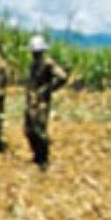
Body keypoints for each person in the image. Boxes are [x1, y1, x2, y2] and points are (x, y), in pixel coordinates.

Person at [23, 35, 68, 171]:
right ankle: (37, 156)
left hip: (41, 102)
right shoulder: (34, 64)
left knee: (40, 130)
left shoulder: (48, 63)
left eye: (36, 51)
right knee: (29, 130)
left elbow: (62, 76)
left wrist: (49, 89)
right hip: (31, 101)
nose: (34, 53)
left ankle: (44, 160)